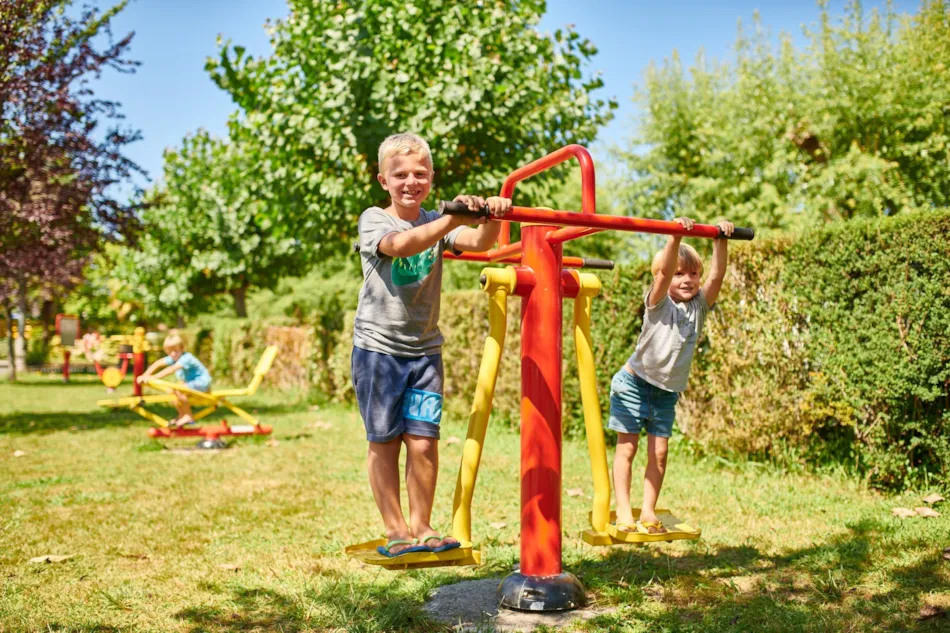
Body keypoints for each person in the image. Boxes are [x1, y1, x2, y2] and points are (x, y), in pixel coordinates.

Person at [352, 132, 511, 557]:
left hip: (425, 353)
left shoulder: (436, 223)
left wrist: (491, 213)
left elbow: (481, 243)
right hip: (378, 351)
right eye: (399, 174)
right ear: (383, 179)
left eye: (420, 173)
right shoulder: (375, 219)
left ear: (431, 177)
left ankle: (422, 525)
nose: (410, 181)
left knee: (423, 441)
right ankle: (396, 528)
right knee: (384, 440)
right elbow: (401, 245)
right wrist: (454, 219)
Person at [609, 216, 735, 534]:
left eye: (693, 273)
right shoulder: (658, 302)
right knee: (627, 448)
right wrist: (673, 239)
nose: (687, 279)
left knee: (660, 453)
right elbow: (664, 272)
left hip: (666, 393)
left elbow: (718, 275)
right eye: (680, 273)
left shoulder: (700, 307)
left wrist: (721, 239)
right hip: (633, 384)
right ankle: (624, 510)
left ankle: (648, 510)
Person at [137, 330, 212, 427]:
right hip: (191, 384)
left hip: (202, 383)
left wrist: (154, 377)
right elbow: (157, 363)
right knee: (172, 391)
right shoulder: (174, 358)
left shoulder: (186, 358)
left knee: (178, 390)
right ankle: (182, 415)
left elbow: (171, 369)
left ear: (182, 348)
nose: (173, 354)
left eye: (176, 350)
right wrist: (145, 375)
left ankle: (188, 416)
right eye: (169, 351)